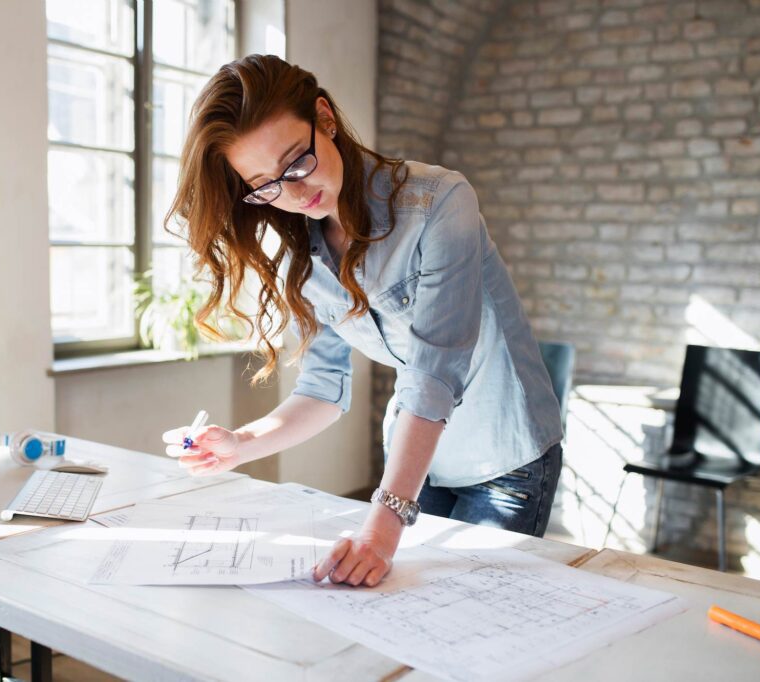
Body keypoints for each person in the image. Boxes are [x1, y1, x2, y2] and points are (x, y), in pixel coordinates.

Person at [161, 54, 564, 588]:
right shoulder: (303, 257)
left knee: (477, 631)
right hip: (421, 463)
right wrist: (242, 443)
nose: (295, 194)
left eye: (297, 162)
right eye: (266, 184)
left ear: (325, 118)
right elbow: (324, 390)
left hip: (506, 458)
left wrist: (384, 521)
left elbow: (434, 373)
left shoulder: (440, 203)